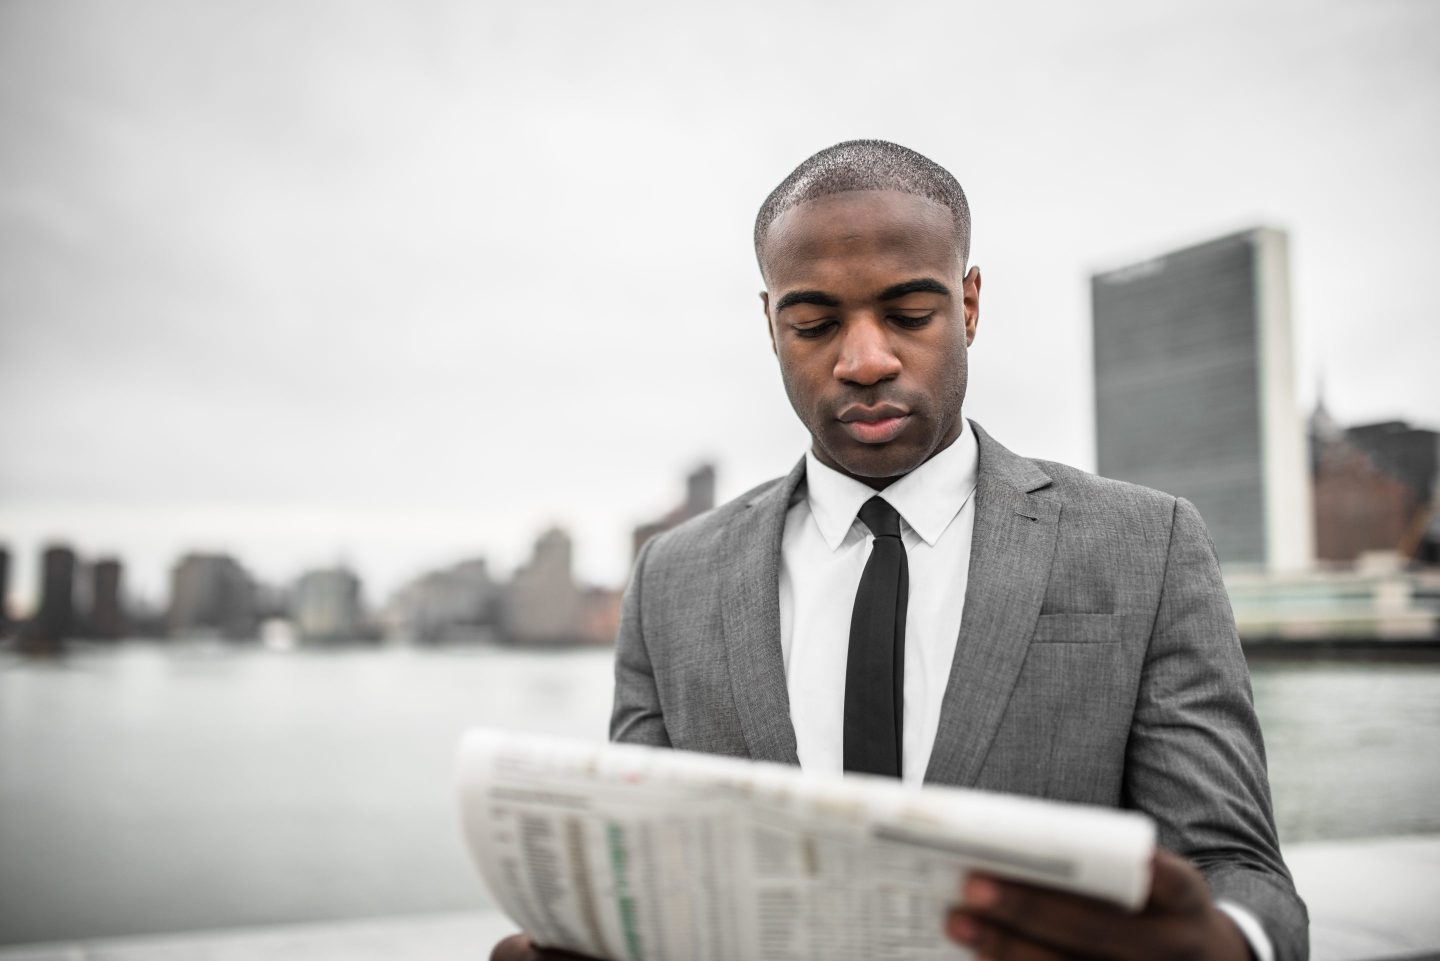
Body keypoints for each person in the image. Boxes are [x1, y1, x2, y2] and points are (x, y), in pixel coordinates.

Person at [493, 140, 1307, 961]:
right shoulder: (671, 578)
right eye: (813, 325)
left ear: (970, 304)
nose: (865, 361)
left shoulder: (1149, 544)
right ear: (771, 326)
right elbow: (644, 878)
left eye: (911, 314)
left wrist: (1228, 944)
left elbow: (1236, 866)